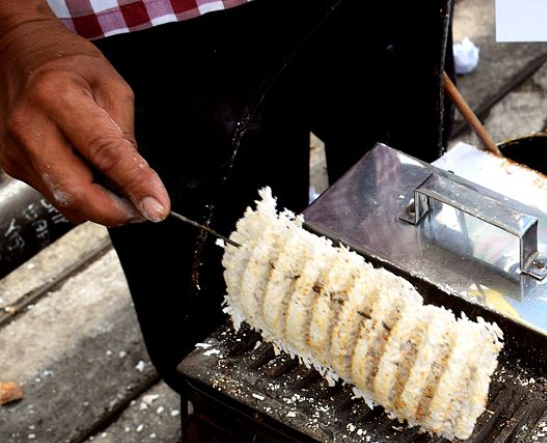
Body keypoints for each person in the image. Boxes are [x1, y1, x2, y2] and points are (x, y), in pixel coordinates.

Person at [0, 0, 454, 392]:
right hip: (158, 28)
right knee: (218, 325)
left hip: (382, 15)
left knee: (404, 217)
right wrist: (15, 26)